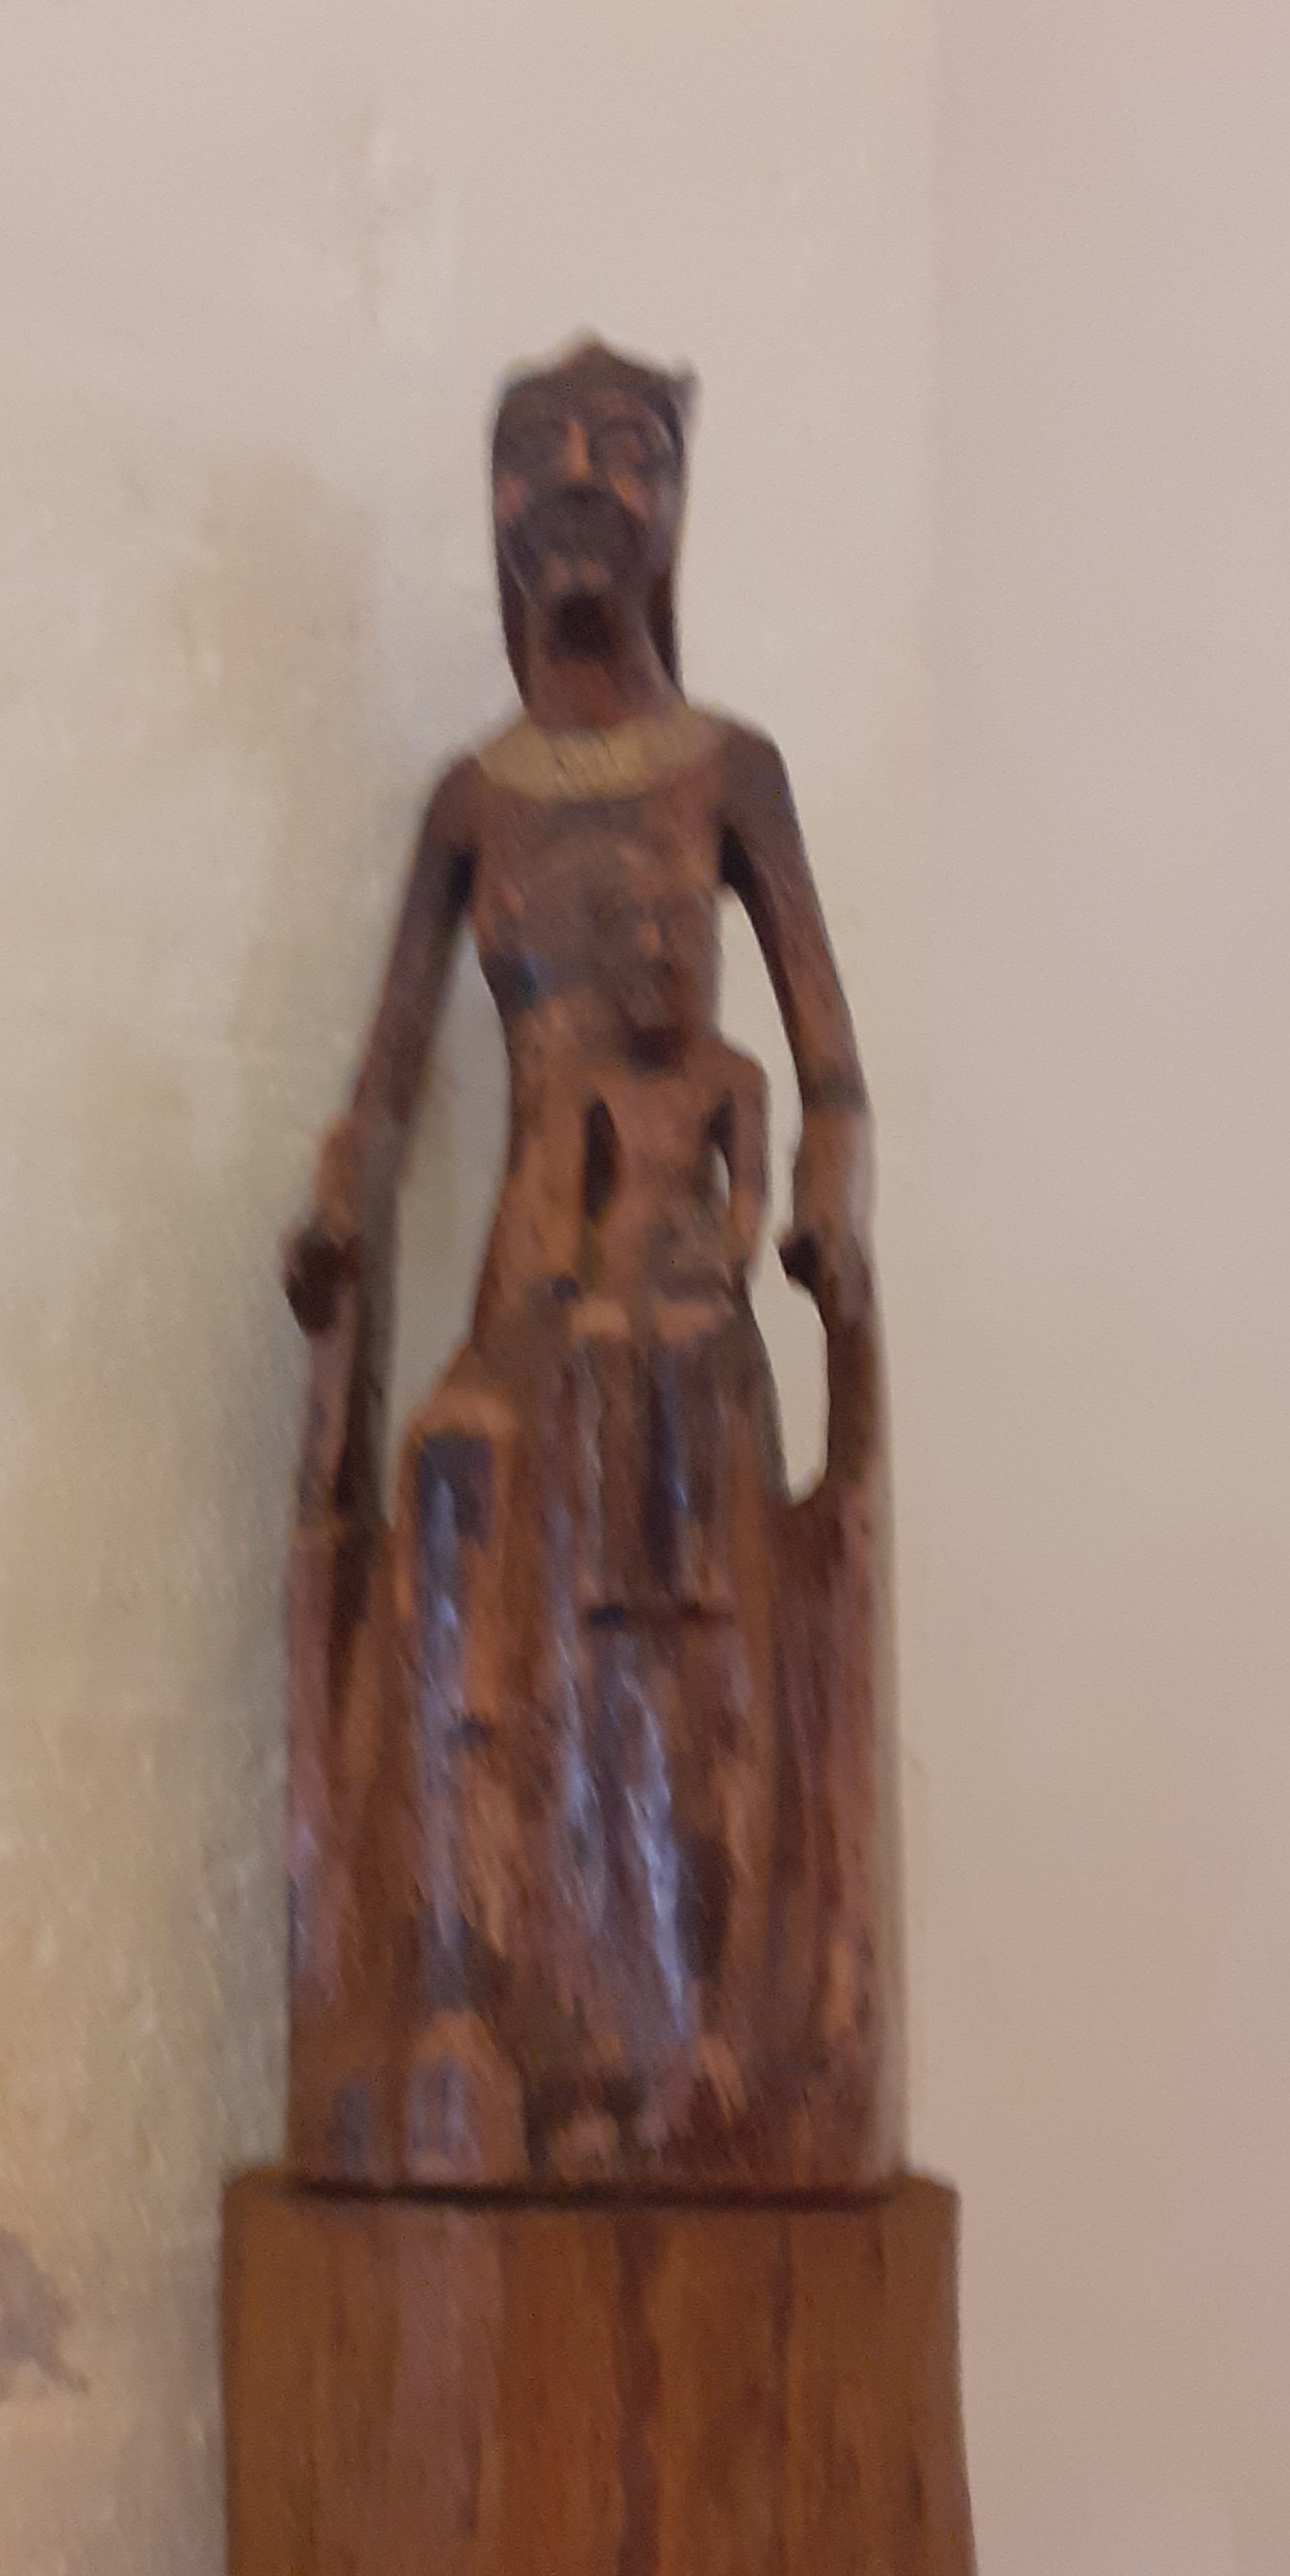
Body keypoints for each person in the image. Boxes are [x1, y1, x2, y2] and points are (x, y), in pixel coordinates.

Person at [282, 340, 891, 2187]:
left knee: (673, 1596)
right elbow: (385, 1084)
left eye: (622, 451)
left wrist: (821, 1204)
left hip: (683, 1284)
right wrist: (337, 1196)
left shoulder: (731, 773)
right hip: (525, 1287)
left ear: (672, 507)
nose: (576, 484)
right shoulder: (476, 803)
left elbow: (831, 1068)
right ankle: (474, 1995)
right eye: (536, 452)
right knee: (458, 1488)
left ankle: (693, 2033)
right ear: (496, 512)